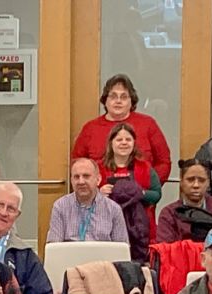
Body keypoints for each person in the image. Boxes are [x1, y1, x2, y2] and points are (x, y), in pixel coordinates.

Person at [71, 74, 172, 184]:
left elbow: (164, 162)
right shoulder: (90, 128)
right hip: (100, 196)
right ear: (105, 100)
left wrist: (148, 186)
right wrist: (95, 189)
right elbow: (77, 164)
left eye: (123, 97)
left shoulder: (148, 124)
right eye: (113, 96)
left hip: (141, 196)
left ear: (131, 101)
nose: (118, 101)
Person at [100, 122, 161, 262]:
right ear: (111, 143)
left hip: (141, 230)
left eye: (128, 139)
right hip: (108, 227)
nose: (124, 143)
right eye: (119, 139)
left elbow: (157, 194)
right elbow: (87, 197)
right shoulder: (99, 168)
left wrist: (141, 193)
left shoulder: (145, 168)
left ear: (134, 142)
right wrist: (100, 193)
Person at [46, 158, 129, 246]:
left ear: (98, 179)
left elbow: (122, 249)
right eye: (76, 177)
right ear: (71, 181)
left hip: (102, 259)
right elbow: (54, 247)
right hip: (71, 258)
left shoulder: (114, 209)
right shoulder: (60, 206)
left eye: (86, 176)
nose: (81, 181)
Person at [155, 158, 212, 244]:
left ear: (208, 183)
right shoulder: (169, 213)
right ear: (181, 182)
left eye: (201, 180)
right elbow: (164, 249)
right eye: (190, 180)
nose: (196, 185)